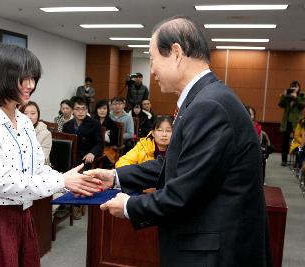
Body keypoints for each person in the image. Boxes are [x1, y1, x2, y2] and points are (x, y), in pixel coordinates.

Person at [85, 16, 272, 267]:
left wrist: (130, 206)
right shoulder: (205, 98)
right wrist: (116, 177)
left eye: (152, 59)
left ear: (176, 52)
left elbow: (184, 193)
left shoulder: (208, 105)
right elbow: (174, 164)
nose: (151, 70)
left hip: (215, 253)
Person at [0, 43, 101, 267]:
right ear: (2, 76)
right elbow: (5, 183)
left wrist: (67, 181)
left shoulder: (23, 121)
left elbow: (37, 167)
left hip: (23, 217)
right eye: (24, 78)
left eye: (34, 78)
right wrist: (62, 180)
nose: (31, 85)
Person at [62, 96, 103, 219]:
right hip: (70, 157)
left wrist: (92, 153)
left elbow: (99, 143)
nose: (80, 112)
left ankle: (76, 205)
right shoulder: (67, 125)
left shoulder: (94, 124)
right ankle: (62, 204)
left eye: (83, 109)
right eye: (77, 109)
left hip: (85, 158)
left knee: (78, 174)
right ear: (72, 111)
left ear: (87, 110)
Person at [278, 80, 305, 166]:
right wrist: (284, 96)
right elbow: (280, 104)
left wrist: (295, 97)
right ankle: (284, 160)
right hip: (287, 122)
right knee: (285, 142)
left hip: (297, 123)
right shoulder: (287, 96)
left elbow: (302, 105)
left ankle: (298, 161)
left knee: (299, 142)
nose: (294, 88)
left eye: (295, 86)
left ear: (299, 88)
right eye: (292, 86)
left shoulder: (302, 95)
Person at [94, 99, 119, 167]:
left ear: (107, 110)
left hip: (107, 149)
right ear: (96, 110)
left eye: (104, 108)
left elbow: (114, 141)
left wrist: (104, 136)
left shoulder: (112, 124)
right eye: (99, 108)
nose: (102, 111)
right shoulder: (92, 121)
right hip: (93, 147)